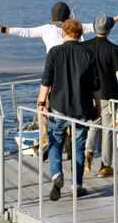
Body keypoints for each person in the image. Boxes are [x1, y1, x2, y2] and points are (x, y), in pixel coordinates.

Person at [0, 2, 118, 158]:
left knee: (44, 112)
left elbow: (25, 32)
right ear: (68, 15)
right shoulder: (76, 28)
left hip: (54, 79)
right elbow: (97, 27)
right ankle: (70, 150)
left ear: (52, 16)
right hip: (76, 78)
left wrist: (1, 29)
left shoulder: (46, 29)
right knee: (72, 112)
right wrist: (117, 18)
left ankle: (46, 143)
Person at [37, 19, 101, 201]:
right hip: (81, 107)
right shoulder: (88, 53)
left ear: (64, 33)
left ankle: (57, 175)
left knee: (55, 142)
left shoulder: (54, 52)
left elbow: (46, 81)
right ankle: (77, 186)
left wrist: (42, 103)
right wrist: (97, 106)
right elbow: (96, 85)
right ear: (80, 34)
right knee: (79, 146)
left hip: (58, 106)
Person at [82, 14, 118, 177]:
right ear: (109, 30)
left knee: (94, 123)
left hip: (90, 93)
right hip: (108, 94)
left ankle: (88, 154)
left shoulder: (85, 46)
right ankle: (105, 166)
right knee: (108, 129)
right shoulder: (113, 49)